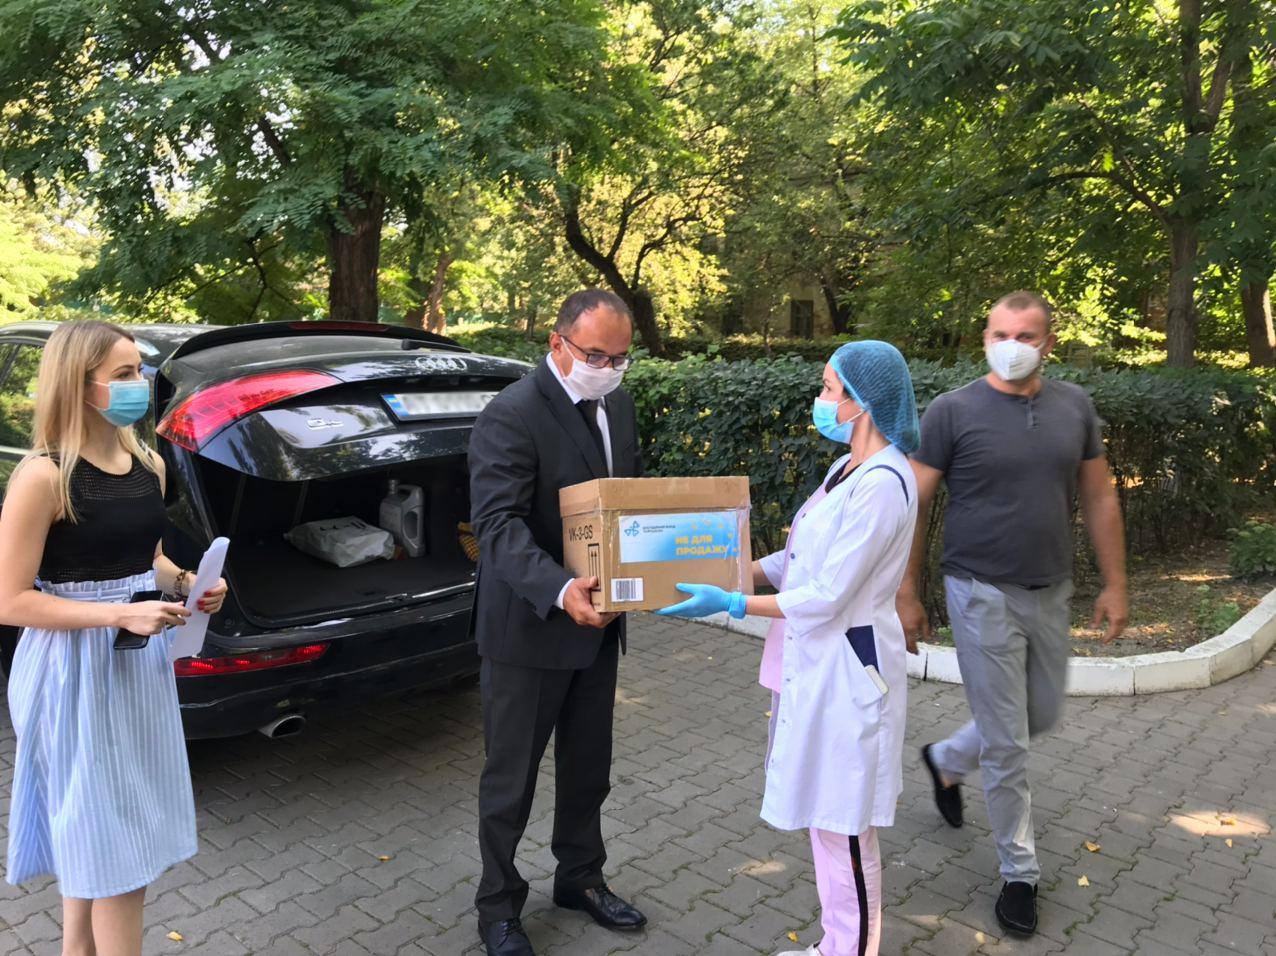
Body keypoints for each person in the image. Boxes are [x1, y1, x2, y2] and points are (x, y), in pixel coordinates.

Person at [659, 341, 920, 956]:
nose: (820, 399)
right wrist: (733, 574)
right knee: (825, 821)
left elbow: (827, 594)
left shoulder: (884, 483)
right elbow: (800, 558)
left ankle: (852, 950)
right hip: (817, 668)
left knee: (845, 829)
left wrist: (732, 603)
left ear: (862, 402)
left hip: (849, 674)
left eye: (829, 389)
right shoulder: (846, 469)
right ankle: (835, 945)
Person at [896, 291, 1128, 938]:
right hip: (980, 592)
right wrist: (906, 591)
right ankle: (1019, 875)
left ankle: (946, 759)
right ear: (985, 339)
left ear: (1048, 343)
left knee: (1041, 714)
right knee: (1007, 745)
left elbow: (1100, 496)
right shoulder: (952, 410)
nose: (1012, 346)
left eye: (1026, 335)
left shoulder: (1074, 408)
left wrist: (1116, 583)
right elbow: (913, 502)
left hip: (1050, 590)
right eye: (1000, 333)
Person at [0, 320, 228, 956]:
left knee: (100, 832)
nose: (140, 384)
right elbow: (9, 600)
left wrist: (188, 582)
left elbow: (145, 560)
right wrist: (116, 616)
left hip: (135, 668)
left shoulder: (148, 464)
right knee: (117, 850)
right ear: (79, 385)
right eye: (124, 374)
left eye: (140, 371)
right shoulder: (43, 477)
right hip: (69, 671)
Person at [468, 289, 647, 956]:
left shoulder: (619, 404)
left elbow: (624, 499)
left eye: (620, 358)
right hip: (530, 628)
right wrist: (561, 588)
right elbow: (497, 525)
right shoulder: (511, 414)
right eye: (595, 355)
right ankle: (498, 906)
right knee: (510, 781)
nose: (608, 369)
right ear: (557, 343)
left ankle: (580, 879)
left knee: (588, 767)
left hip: (599, 625)